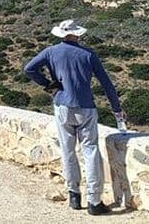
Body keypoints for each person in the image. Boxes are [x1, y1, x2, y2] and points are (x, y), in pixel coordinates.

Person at [24, 19, 125, 216]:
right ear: (77, 34)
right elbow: (107, 84)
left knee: (68, 150)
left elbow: (29, 69)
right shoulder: (88, 54)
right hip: (86, 107)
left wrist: (48, 84)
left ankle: (74, 196)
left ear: (60, 34)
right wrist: (117, 110)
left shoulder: (51, 52)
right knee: (91, 151)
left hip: (62, 105)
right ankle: (95, 201)